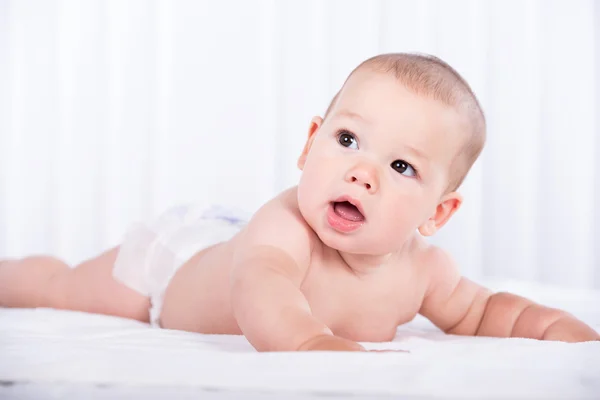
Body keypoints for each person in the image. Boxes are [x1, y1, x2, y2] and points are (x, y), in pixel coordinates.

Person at [1, 53, 598, 352]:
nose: (362, 174)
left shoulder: (426, 271)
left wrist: (547, 327)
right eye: (347, 141)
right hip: (178, 265)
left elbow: (481, 312)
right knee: (61, 285)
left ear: (436, 214)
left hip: (223, 251)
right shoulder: (284, 227)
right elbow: (262, 290)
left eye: (400, 166)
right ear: (311, 143)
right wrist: (311, 346)